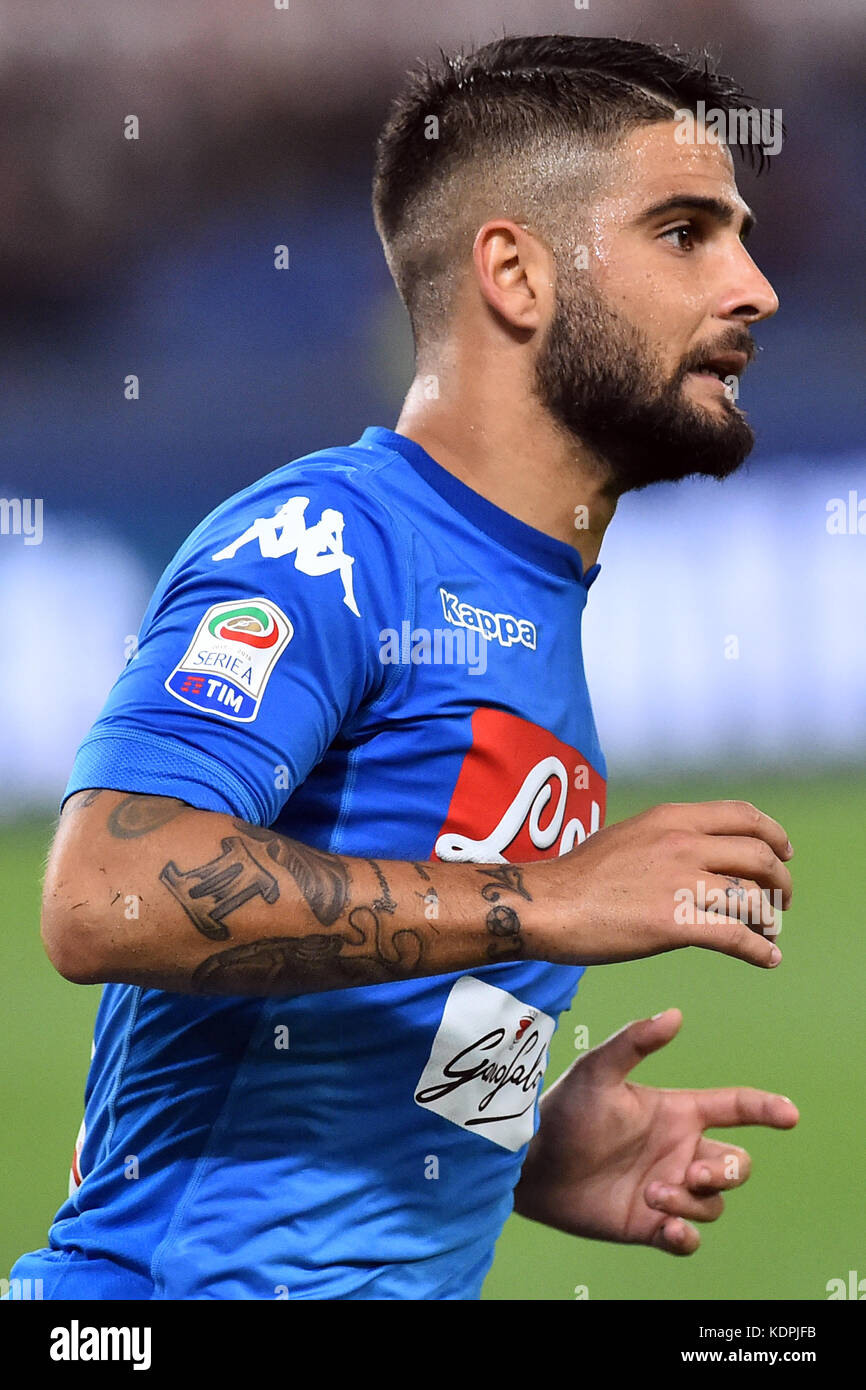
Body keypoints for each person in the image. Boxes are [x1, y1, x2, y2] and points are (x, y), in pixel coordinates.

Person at [10, 34, 797, 1301]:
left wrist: (518, 1146)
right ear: (516, 275)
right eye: (683, 231)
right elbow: (106, 890)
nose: (754, 286)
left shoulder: (534, 626)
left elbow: (370, 999)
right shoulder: (332, 544)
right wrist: (543, 898)